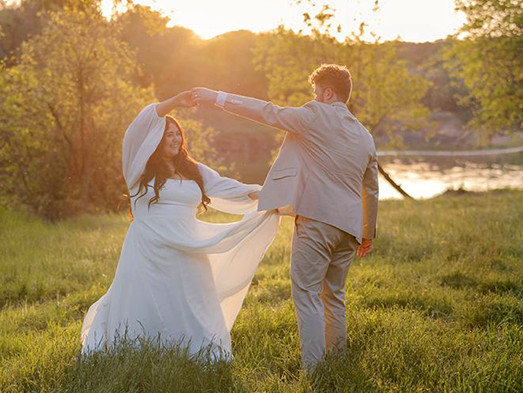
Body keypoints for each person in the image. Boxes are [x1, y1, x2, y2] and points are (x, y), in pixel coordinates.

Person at [191, 63, 379, 370]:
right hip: (349, 228)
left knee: (306, 295)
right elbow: (370, 189)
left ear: (328, 92)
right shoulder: (364, 136)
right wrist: (368, 233)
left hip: (317, 220)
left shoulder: (315, 114)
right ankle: (338, 363)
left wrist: (218, 97)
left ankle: (315, 370)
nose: (315, 96)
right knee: (334, 296)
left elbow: (268, 112)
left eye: (317, 92)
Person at [80, 90, 281, 361]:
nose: (174, 139)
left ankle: (195, 354)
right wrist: (173, 102)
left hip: (188, 247)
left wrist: (269, 195)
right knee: (147, 301)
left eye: (177, 134)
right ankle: (140, 355)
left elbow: (226, 186)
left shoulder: (192, 169)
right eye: (167, 134)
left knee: (192, 303)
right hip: (149, 247)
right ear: (154, 140)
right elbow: (138, 126)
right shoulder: (138, 170)